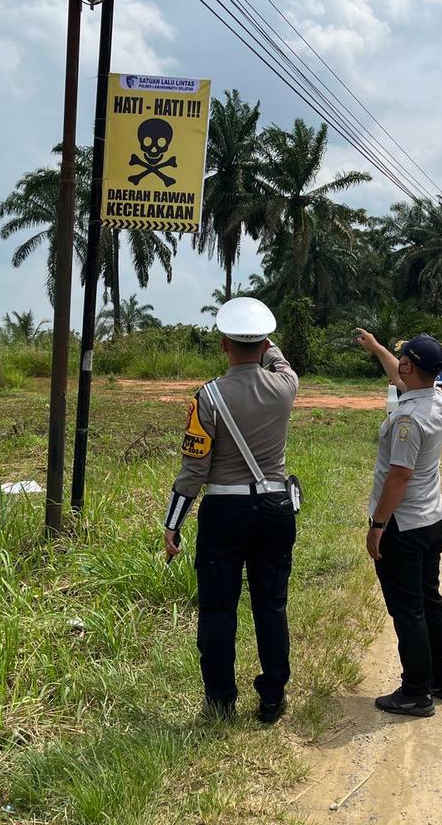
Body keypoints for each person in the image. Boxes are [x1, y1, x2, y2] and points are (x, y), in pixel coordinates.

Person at [164, 297, 299, 724]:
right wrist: (264, 337)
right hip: (276, 508)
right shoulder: (285, 387)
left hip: (224, 511)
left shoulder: (208, 398)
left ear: (223, 344)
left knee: (219, 609)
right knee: (271, 605)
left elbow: (194, 469)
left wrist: (173, 524)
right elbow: (278, 360)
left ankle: (221, 700)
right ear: (263, 345)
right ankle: (272, 696)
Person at [353, 329, 442, 718]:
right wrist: (378, 348)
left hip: (404, 527)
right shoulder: (436, 399)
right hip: (433, 520)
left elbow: (399, 476)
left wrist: (378, 524)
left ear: (411, 365)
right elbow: (400, 377)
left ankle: (416, 691)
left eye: (403, 360)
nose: (399, 368)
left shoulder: (409, 421)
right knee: (430, 601)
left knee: (408, 610)